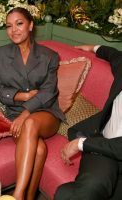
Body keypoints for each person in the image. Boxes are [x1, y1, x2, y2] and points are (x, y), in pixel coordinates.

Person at [0, 7, 65, 200]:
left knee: (29, 122)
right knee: (39, 150)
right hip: (14, 113)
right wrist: (20, 96)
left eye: (19, 23)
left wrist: (26, 112)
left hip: (45, 112)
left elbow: (49, 91)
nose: (14, 30)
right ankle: (29, 197)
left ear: (30, 25)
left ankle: (18, 194)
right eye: (9, 26)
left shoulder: (49, 56)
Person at [55, 44, 122, 200]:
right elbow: (113, 54)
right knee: (92, 186)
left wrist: (81, 144)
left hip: (112, 147)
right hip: (104, 147)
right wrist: (93, 47)